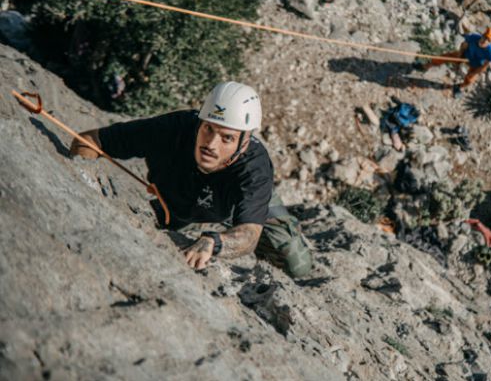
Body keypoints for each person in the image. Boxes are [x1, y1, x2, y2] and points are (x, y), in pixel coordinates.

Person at [69, 81, 312, 278]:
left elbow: (249, 235)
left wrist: (215, 242)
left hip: (234, 203)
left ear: (244, 142)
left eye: (226, 138)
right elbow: (89, 141)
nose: (211, 144)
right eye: (208, 129)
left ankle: (265, 222)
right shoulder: (172, 129)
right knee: (170, 218)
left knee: (296, 264)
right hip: (177, 203)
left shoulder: (254, 169)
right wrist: (77, 176)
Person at [424, 27, 491, 98]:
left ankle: (459, 86)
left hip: (476, 64)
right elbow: (463, 46)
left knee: (470, 80)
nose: (485, 41)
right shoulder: (473, 38)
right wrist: (458, 59)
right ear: (482, 35)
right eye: (485, 37)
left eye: (489, 40)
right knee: (446, 57)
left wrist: (474, 73)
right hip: (466, 55)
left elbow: (484, 67)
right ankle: (426, 66)